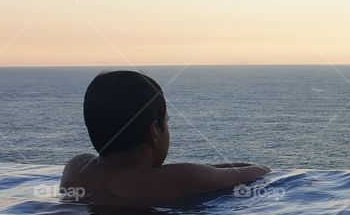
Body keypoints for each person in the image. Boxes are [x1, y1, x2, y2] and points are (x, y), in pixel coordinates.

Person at [60, 70, 270, 204]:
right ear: (154, 132)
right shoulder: (176, 179)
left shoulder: (76, 168)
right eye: (167, 123)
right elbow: (257, 172)